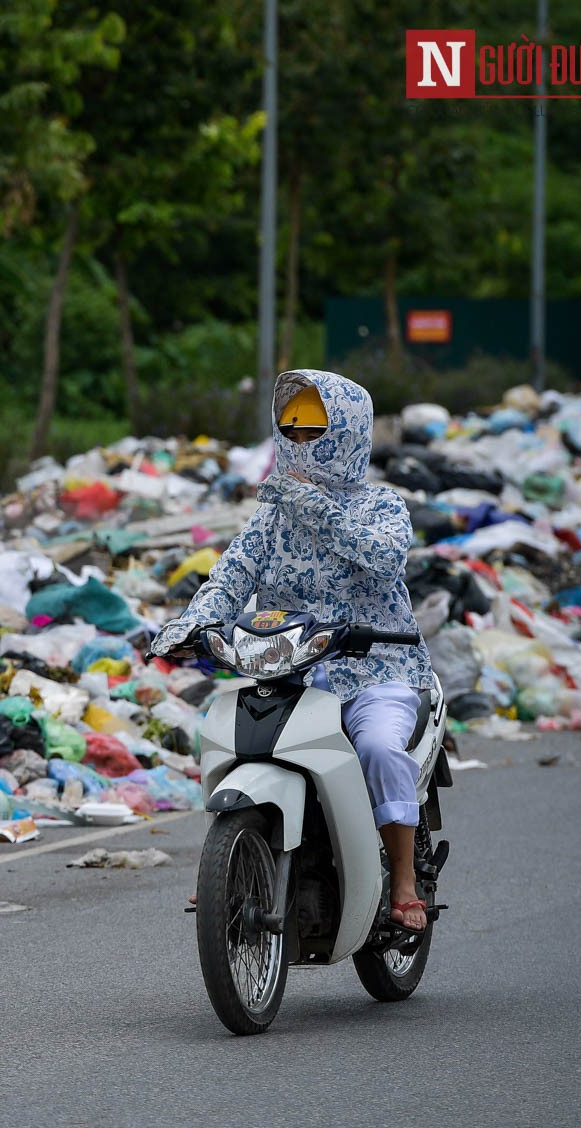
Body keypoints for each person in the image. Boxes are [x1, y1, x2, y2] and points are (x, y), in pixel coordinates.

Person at [152, 369, 436, 931]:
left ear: (349, 433)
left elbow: (382, 559)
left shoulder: (382, 506)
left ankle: (402, 881)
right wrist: (191, 624)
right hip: (292, 669)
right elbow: (232, 573)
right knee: (229, 736)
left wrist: (313, 506)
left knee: (379, 748)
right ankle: (227, 865)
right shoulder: (271, 514)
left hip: (376, 668)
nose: (301, 446)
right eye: (292, 432)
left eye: (316, 434)